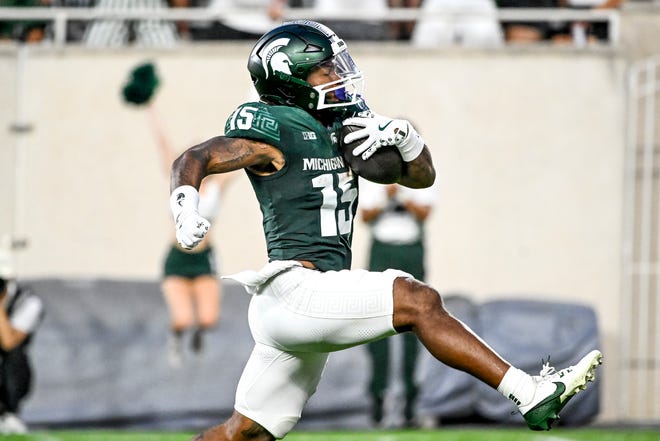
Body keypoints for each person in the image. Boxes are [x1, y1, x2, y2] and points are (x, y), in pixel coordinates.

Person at [168, 19, 602, 440]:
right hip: (295, 292)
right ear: (292, 79)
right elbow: (196, 157)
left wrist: (408, 138)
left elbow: (419, 177)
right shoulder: (274, 127)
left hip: (311, 300)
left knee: (243, 433)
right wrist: (186, 205)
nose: (338, 75)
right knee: (417, 299)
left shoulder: (340, 123)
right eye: (326, 69)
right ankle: (530, 393)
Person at [146, 103, 234, 368]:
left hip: (204, 257)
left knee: (208, 319)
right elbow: (163, 145)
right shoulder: (179, 183)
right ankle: (176, 337)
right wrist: (151, 108)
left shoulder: (216, 185)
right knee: (182, 318)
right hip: (178, 257)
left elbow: (241, 159)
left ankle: (198, 335)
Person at [359, 179, 437, 427]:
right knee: (377, 326)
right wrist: (385, 196)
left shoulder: (422, 175)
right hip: (382, 251)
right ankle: (378, 399)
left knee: (414, 327)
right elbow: (365, 215)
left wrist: (401, 196)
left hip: (411, 251)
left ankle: (410, 405)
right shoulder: (372, 177)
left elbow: (424, 213)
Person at [0, 248, 44, 434]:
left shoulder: (28, 302)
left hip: (10, 371)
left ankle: (9, 413)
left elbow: (8, 341)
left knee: (14, 355)